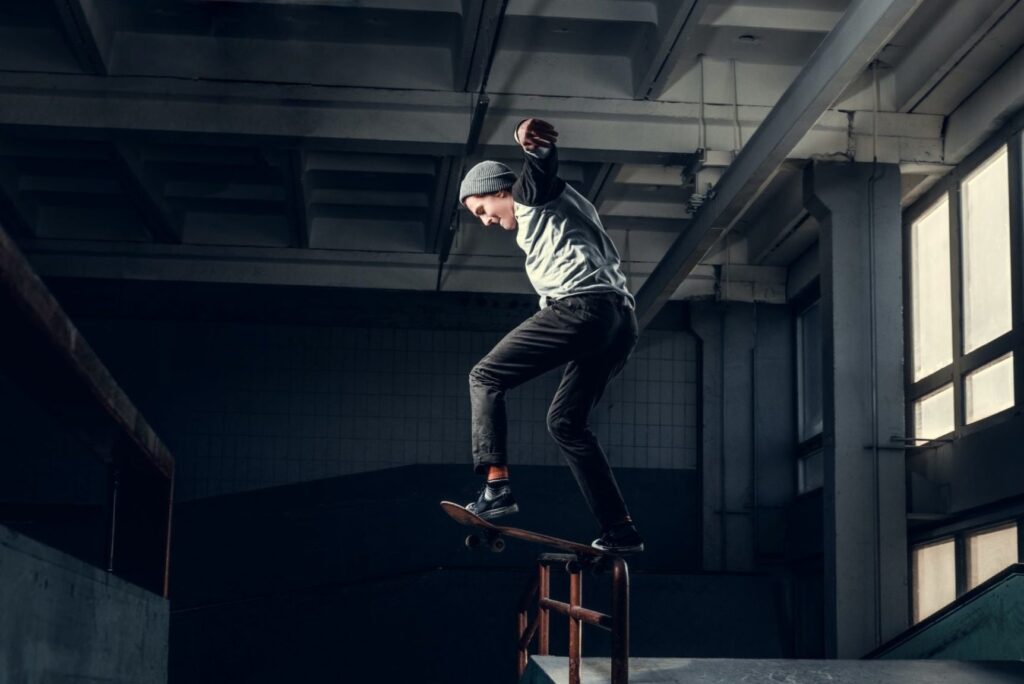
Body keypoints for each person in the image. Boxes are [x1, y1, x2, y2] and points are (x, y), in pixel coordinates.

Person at [457, 117, 643, 554]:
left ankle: (496, 488)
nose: (485, 221)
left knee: (484, 377)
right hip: (620, 321)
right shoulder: (558, 214)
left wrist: (528, 139)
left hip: (584, 307)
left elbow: (538, 169)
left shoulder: (529, 199)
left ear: (500, 191)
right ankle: (621, 530)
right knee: (566, 423)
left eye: (482, 210)